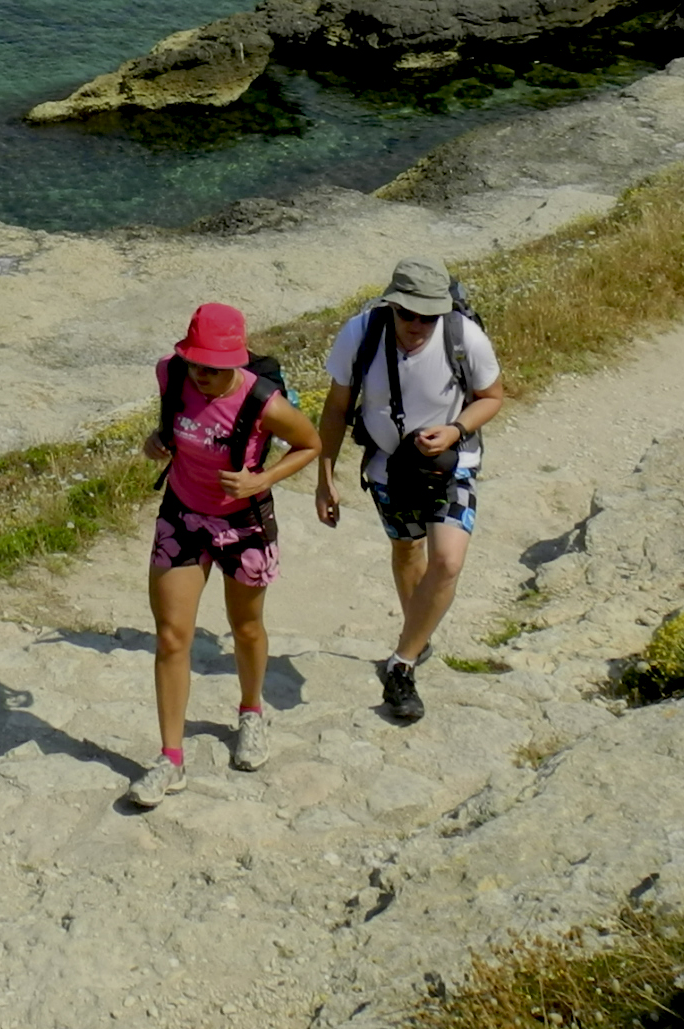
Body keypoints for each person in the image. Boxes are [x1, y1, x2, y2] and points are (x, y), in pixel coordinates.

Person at [129, 303, 320, 809]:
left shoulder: (264, 402)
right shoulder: (170, 376)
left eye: (215, 369)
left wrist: (263, 478)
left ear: (235, 362)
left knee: (247, 628)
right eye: (197, 366)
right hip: (182, 516)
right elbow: (175, 424)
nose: (204, 377)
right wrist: (159, 440)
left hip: (244, 523)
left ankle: (252, 711)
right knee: (172, 636)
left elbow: (309, 443)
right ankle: (170, 759)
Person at [314, 259, 503, 723]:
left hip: (450, 466)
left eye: (428, 317)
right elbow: (336, 409)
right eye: (408, 314)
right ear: (391, 305)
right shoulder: (359, 334)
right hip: (387, 470)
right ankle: (419, 636)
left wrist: (456, 430)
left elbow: (494, 396)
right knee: (406, 551)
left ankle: (401, 664)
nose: (417, 326)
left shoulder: (465, 338)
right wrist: (325, 477)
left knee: (447, 561)